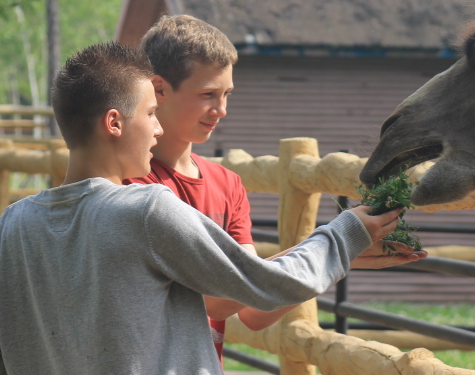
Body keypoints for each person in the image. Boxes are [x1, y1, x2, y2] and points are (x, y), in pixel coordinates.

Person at [0, 42, 403, 375]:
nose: (157, 129)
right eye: (151, 113)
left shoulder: (13, 224)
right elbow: (265, 285)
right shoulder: (145, 210)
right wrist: (345, 232)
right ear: (114, 123)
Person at [126, 15, 427, 359]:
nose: (221, 109)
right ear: (159, 89)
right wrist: (332, 248)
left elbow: (254, 306)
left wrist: (341, 256)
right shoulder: (131, 187)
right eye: (208, 94)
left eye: (227, 94)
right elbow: (221, 299)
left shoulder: (227, 184)